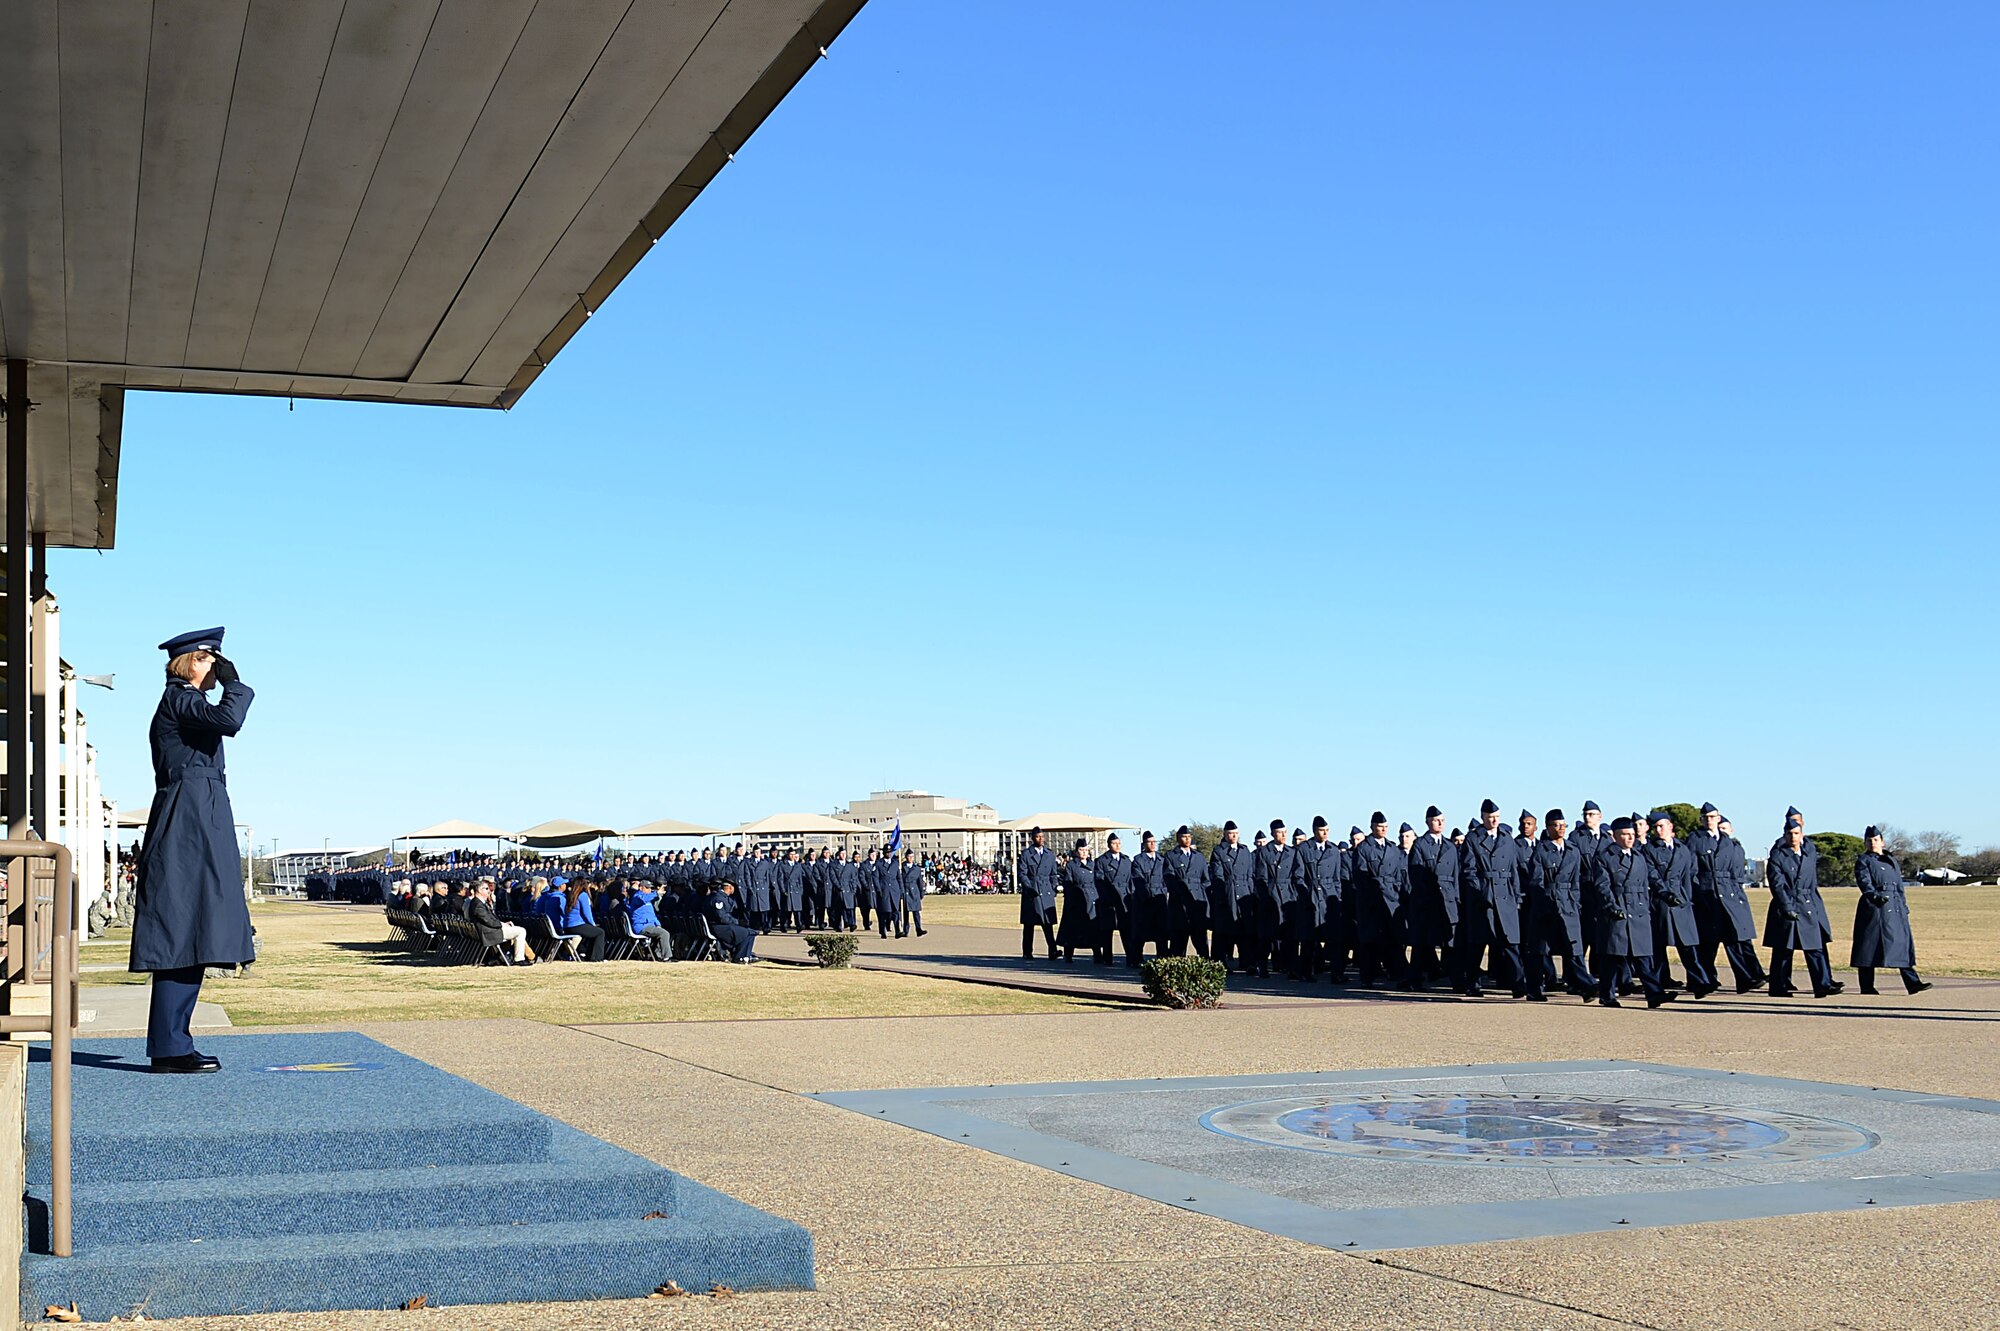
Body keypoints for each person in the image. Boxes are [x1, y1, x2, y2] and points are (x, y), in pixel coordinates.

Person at [131, 628, 255, 1072]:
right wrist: (236, 685)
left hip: (199, 814)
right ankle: (169, 1046)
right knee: (181, 930)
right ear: (190, 663)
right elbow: (230, 721)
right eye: (210, 660)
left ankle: (174, 1042)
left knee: (196, 928)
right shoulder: (180, 699)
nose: (217, 668)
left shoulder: (187, 701)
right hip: (188, 818)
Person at [1589, 818, 1676, 1008]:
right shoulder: (1604, 858)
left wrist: (1666, 894)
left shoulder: (1638, 856)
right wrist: (1611, 906)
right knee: (1613, 956)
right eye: (1625, 835)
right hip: (1617, 911)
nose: (1630, 838)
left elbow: (1652, 877)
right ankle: (1607, 994)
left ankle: (1654, 994)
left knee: (1643, 956)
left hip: (1638, 910)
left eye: (1632, 835)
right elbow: (1602, 886)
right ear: (1615, 836)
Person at [1688, 804, 1767, 992]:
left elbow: (1735, 873)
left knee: (1733, 938)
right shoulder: (1695, 840)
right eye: (1705, 817)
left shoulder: (1728, 843)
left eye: (1713, 816)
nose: (1709, 820)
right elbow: (1691, 870)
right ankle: (1702, 980)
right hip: (1706, 896)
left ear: (1718, 818)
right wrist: (1698, 892)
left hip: (1728, 897)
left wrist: (1737, 897)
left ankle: (1744, 979)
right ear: (1701, 820)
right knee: (1708, 943)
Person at [1643, 811, 1718, 997]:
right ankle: (1658, 985)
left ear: (1670, 826)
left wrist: (1688, 899)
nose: (1659, 830)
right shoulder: (1649, 849)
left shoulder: (1682, 849)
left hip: (1681, 902)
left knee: (1688, 946)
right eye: (1655, 827)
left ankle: (1699, 982)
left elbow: (1689, 875)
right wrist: (1665, 893)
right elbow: (1652, 875)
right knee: (1658, 947)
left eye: (1662, 825)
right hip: (1659, 902)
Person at [1766, 816, 1841, 998]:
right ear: (1784, 835)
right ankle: (1778, 986)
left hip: (1808, 904)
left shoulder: (1809, 852)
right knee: (1784, 949)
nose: (1793, 837)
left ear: (1802, 835)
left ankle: (1822, 985)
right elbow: (1777, 884)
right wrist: (1786, 906)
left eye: (1796, 833)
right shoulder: (1777, 856)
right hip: (1787, 905)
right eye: (1790, 834)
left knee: (1815, 947)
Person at [1525, 810, 1595, 1000]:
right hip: (1546, 905)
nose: (1561, 828)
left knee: (1574, 949)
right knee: (1539, 951)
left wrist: (1575, 904)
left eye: (1564, 825)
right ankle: (1534, 989)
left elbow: (1575, 882)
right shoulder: (1542, 850)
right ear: (1548, 828)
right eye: (1556, 825)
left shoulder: (1572, 850)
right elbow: (1535, 882)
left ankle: (1585, 986)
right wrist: (1543, 905)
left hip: (1568, 905)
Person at [1853, 826, 1930, 995]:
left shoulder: (1891, 860)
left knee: (1901, 944)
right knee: (1869, 946)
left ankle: (1913, 983)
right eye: (1869, 840)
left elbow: (1899, 885)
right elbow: (1864, 882)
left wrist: (1903, 905)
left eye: (1875, 840)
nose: (1872, 843)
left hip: (1894, 905)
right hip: (1874, 907)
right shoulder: (1863, 861)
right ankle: (1866, 986)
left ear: (1882, 841)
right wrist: (1874, 896)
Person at [1457, 799, 1522, 997]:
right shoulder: (1473, 839)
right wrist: (1479, 892)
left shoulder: (1507, 839)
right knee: (1478, 944)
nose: (1494, 821)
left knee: (1511, 943)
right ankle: (1472, 983)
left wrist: (1517, 896)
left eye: (1497, 817)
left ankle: (1519, 984)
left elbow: (1513, 870)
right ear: (1482, 817)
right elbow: (1468, 870)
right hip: (1483, 899)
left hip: (1505, 897)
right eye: (1490, 817)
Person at [1406, 806, 1458, 989]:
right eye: (1436, 820)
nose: (1440, 823)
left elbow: (1455, 876)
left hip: (1447, 900)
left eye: (1443, 820)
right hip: (1427, 901)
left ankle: (1456, 980)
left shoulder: (1449, 846)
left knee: (1451, 944)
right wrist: (1425, 898)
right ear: (1428, 822)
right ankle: (1415, 980)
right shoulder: (1420, 845)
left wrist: (1456, 899)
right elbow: (1416, 875)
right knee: (1422, 944)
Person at [1207, 822, 1252, 970]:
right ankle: (1220, 963)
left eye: (1235, 833)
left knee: (1244, 931)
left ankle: (1246, 962)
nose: (1233, 836)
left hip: (1244, 894)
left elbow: (1250, 875)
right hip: (1227, 895)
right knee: (1223, 932)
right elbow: (1217, 876)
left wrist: (1250, 894)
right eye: (1230, 833)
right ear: (1225, 835)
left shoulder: (1244, 851)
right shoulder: (1219, 851)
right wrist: (1222, 897)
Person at [1162, 826, 1209, 958]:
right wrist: (1181, 894)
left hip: (1197, 903)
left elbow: (1206, 880)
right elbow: (1168, 878)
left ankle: (1206, 965)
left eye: (1189, 836)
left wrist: (1200, 894)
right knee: (1178, 942)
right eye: (1184, 836)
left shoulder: (1199, 857)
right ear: (1178, 838)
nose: (1187, 839)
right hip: (1179, 904)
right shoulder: (1171, 856)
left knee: (1200, 939)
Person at [467, 878, 534, 964]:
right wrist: (502, 925)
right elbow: (489, 921)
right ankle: (519, 959)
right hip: (490, 933)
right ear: (480, 890)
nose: (489, 890)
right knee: (521, 931)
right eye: (487, 888)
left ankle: (522, 956)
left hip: (490, 930)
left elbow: (490, 919)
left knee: (516, 929)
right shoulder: (477, 905)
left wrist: (503, 923)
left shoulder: (479, 903)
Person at [1017, 827, 1059, 960]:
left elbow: (1054, 874)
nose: (1041, 839)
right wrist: (1029, 888)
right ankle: (1027, 952)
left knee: (1048, 924)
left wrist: (1053, 889)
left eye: (1042, 836)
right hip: (1033, 890)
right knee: (1029, 924)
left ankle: (1052, 950)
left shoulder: (1049, 854)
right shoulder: (1026, 854)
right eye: (1038, 837)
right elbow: (1022, 874)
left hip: (1046, 890)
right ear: (1032, 838)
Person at [1092, 833, 1133, 966]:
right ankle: (1107, 958)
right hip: (1108, 901)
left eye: (1119, 843)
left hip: (1123, 901)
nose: (1117, 846)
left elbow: (1131, 881)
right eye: (1114, 843)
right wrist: (1107, 898)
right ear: (1109, 845)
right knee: (1107, 932)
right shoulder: (1102, 861)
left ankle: (1130, 957)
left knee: (1126, 930)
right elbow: (1099, 881)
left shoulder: (1126, 860)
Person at [1129, 832, 1168, 965]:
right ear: (1144, 844)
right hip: (1143, 901)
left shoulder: (1162, 860)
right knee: (1140, 932)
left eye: (1154, 841)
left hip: (1159, 900)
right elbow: (1138, 880)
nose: (1152, 844)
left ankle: (1162, 958)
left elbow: (1166, 878)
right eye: (1149, 842)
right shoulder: (1138, 860)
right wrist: (1146, 895)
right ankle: (1136, 958)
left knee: (1161, 932)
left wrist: (1163, 892)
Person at [1057, 838, 1098, 962]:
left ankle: (1097, 954)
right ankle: (1068, 954)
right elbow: (1068, 883)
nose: (1084, 852)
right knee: (1072, 929)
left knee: (1093, 928)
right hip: (1076, 899)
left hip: (1091, 899)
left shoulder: (1093, 864)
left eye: (1086, 850)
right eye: (1081, 850)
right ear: (1076, 851)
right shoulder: (1071, 865)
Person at [704, 879, 759, 962]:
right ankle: (741, 956)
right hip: (719, 927)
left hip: (721, 926)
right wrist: (737, 922)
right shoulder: (719, 899)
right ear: (730, 887)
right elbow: (722, 917)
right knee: (748, 933)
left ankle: (745, 954)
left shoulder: (720, 897)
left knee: (750, 931)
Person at [560, 877, 607, 962]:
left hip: (568, 926)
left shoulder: (570, 895)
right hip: (577, 924)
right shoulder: (583, 895)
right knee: (600, 932)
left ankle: (590, 955)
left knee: (593, 933)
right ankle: (597, 957)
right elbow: (587, 913)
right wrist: (593, 924)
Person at [625, 879, 674, 960]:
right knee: (664, 933)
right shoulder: (636, 897)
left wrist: (657, 924)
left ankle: (656, 955)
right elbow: (642, 900)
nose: (649, 890)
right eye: (647, 888)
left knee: (662, 931)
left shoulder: (649, 900)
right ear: (641, 888)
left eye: (650, 888)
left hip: (650, 925)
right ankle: (666, 957)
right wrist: (656, 893)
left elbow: (652, 915)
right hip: (641, 926)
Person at [900, 849, 928, 937]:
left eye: (912, 857)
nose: (910, 858)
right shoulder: (901, 867)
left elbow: (920, 881)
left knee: (916, 912)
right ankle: (905, 930)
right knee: (906, 914)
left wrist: (921, 892)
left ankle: (918, 929)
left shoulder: (916, 868)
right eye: (908, 856)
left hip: (914, 891)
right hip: (905, 891)